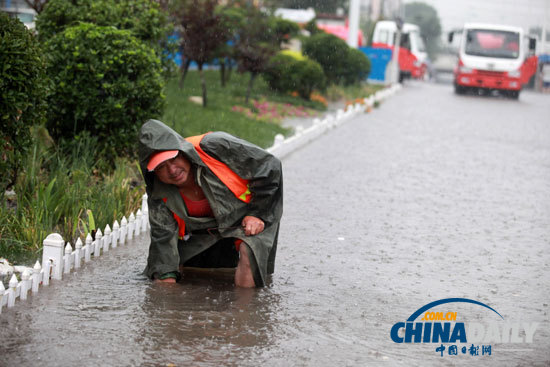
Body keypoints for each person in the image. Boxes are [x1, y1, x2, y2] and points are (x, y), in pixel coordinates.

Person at [138, 119, 283, 287]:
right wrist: (166, 295)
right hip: (203, 232)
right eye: (161, 167)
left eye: (173, 159)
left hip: (249, 216)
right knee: (174, 269)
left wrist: (258, 214)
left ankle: (245, 309)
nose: (172, 170)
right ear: (154, 172)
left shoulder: (214, 146)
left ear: (183, 152)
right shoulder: (158, 192)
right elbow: (163, 241)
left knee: (249, 250)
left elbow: (270, 165)